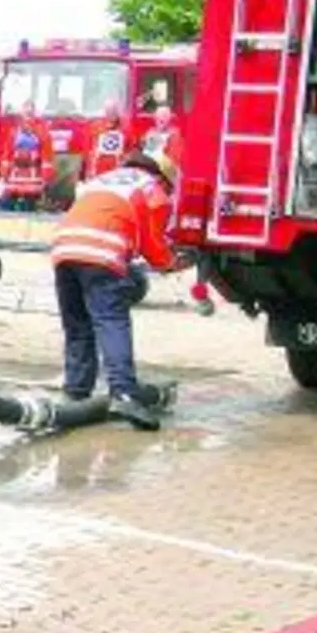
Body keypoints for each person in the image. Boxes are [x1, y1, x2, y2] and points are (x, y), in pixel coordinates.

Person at [49, 152, 185, 431]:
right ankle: (123, 393)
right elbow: (152, 241)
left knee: (78, 326)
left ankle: (76, 392)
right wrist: (172, 262)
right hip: (102, 251)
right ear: (162, 177)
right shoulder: (152, 188)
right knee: (112, 322)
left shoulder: (101, 180)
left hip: (64, 249)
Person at [83, 99, 133, 181]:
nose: (111, 113)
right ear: (105, 111)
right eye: (109, 110)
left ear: (118, 111)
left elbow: (130, 150)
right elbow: (88, 150)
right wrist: (88, 172)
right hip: (98, 171)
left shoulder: (125, 129)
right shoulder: (96, 127)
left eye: (113, 110)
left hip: (118, 171)